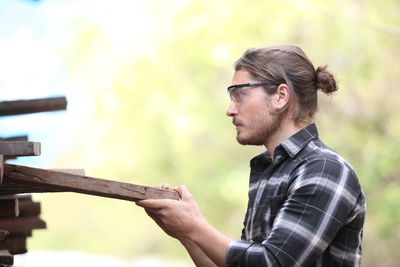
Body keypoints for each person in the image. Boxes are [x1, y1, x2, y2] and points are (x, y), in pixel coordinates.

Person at [136, 45, 366, 267]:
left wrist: (196, 226)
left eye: (240, 95)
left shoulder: (325, 169)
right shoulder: (268, 170)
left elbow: (272, 263)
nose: (230, 109)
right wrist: (186, 233)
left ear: (280, 96)